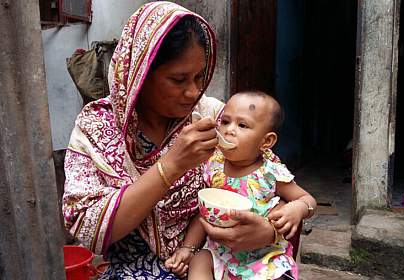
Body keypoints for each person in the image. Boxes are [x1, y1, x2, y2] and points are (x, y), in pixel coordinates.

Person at [62, 2, 292, 279]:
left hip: (216, 261)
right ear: (140, 75)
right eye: (179, 79)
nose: (193, 91)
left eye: (199, 77)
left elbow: (271, 183)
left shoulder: (213, 118)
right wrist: (171, 166)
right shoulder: (97, 127)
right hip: (133, 270)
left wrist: (269, 231)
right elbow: (88, 229)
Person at [165, 91, 317, 280]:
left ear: (266, 141)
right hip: (222, 254)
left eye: (242, 125)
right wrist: (188, 248)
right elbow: (203, 214)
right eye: (225, 121)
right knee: (200, 260)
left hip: (263, 258)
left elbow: (308, 199)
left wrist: (298, 208)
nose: (229, 130)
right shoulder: (213, 167)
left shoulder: (270, 174)